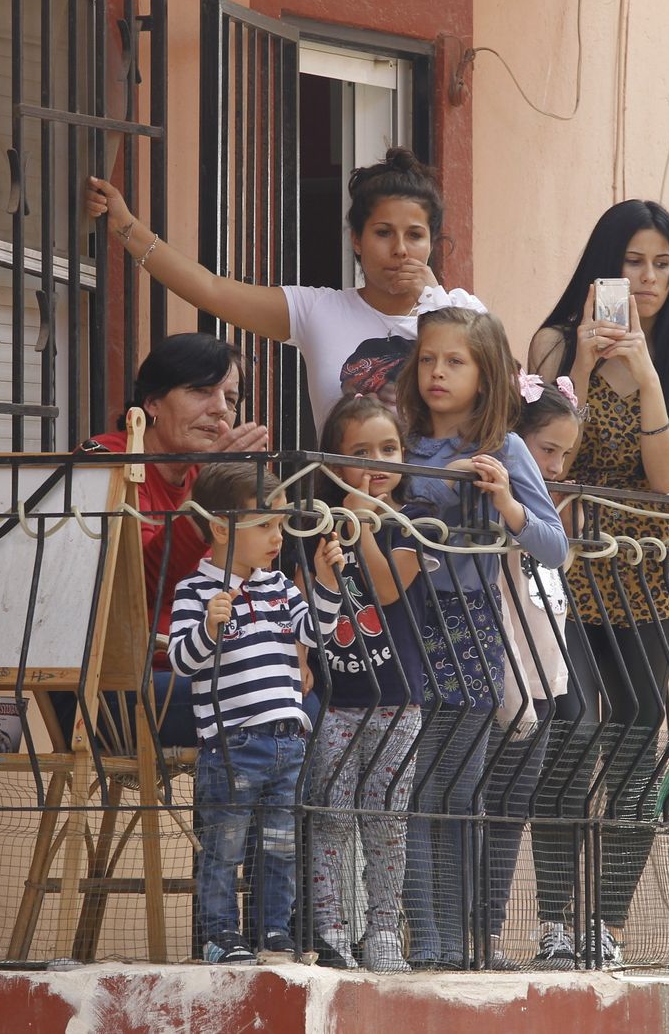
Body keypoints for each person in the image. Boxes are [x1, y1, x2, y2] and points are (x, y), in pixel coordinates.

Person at [525, 199, 669, 965]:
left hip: (646, 561)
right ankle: (552, 921)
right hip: (564, 553)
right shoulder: (549, 344)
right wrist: (578, 364)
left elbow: (668, 477)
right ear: (604, 265)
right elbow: (550, 459)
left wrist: (644, 376)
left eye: (662, 264)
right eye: (633, 261)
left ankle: (606, 922)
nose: (646, 279)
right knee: (569, 726)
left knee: (637, 732)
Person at [396, 300, 569, 970]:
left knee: (459, 788)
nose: (438, 372)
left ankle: (464, 933)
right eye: (429, 359)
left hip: (471, 629)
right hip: (408, 622)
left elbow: (554, 546)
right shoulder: (401, 438)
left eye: (455, 361)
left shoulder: (505, 446)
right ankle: (423, 935)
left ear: (485, 371)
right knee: (409, 783)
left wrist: (505, 500)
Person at [86, 147, 447, 433]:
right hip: (347, 517)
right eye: (383, 233)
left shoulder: (462, 314)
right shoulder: (320, 310)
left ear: (432, 243)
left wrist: (435, 302)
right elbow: (210, 289)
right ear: (356, 239)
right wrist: (125, 227)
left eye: (415, 235)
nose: (400, 249)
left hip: (446, 518)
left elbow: (495, 404)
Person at [167, 462, 344, 964]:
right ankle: (219, 935)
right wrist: (209, 627)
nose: (276, 536)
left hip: (288, 738)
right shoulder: (194, 591)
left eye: (280, 525)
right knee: (223, 846)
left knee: (280, 846)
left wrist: (327, 581)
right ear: (221, 527)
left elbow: (316, 635)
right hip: (234, 744)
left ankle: (273, 932)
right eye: (264, 524)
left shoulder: (280, 587)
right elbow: (182, 660)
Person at [68, 332, 268, 747]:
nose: (219, 410)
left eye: (230, 399)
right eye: (200, 391)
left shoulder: (200, 477)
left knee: (312, 697)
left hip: (189, 666)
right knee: (266, 704)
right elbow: (141, 582)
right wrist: (210, 493)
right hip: (108, 685)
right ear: (153, 402)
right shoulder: (106, 461)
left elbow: (244, 580)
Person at [303, 395, 427, 973]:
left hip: (396, 705)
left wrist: (366, 527)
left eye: (389, 449)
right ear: (332, 462)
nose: (377, 462)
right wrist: (337, 534)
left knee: (386, 820)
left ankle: (382, 931)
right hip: (337, 700)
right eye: (359, 452)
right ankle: (331, 928)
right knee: (330, 816)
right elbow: (309, 607)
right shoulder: (312, 526)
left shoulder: (413, 521)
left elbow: (388, 588)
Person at [482, 376, 582, 970]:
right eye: (548, 450)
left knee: (512, 810)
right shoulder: (504, 512)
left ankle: (492, 932)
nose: (557, 464)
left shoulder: (543, 520)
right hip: (499, 679)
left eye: (567, 454)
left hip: (542, 682)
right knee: (478, 804)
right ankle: (465, 929)